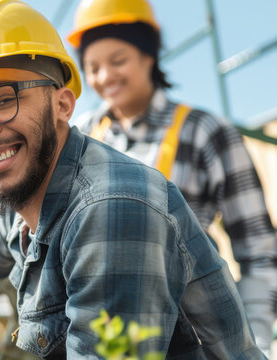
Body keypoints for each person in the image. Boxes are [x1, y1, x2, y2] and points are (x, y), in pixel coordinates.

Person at [0, 0, 266, 358]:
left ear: (63, 105)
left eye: (3, 100)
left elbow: (259, 251)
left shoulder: (109, 208)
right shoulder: (27, 194)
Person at [65, 0, 277, 353]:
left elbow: (258, 250)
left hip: (190, 342)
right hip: (95, 341)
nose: (105, 77)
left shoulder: (206, 133)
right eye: (92, 67)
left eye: (118, 61)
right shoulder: (79, 141)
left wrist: (252, 337)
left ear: (149, 55)